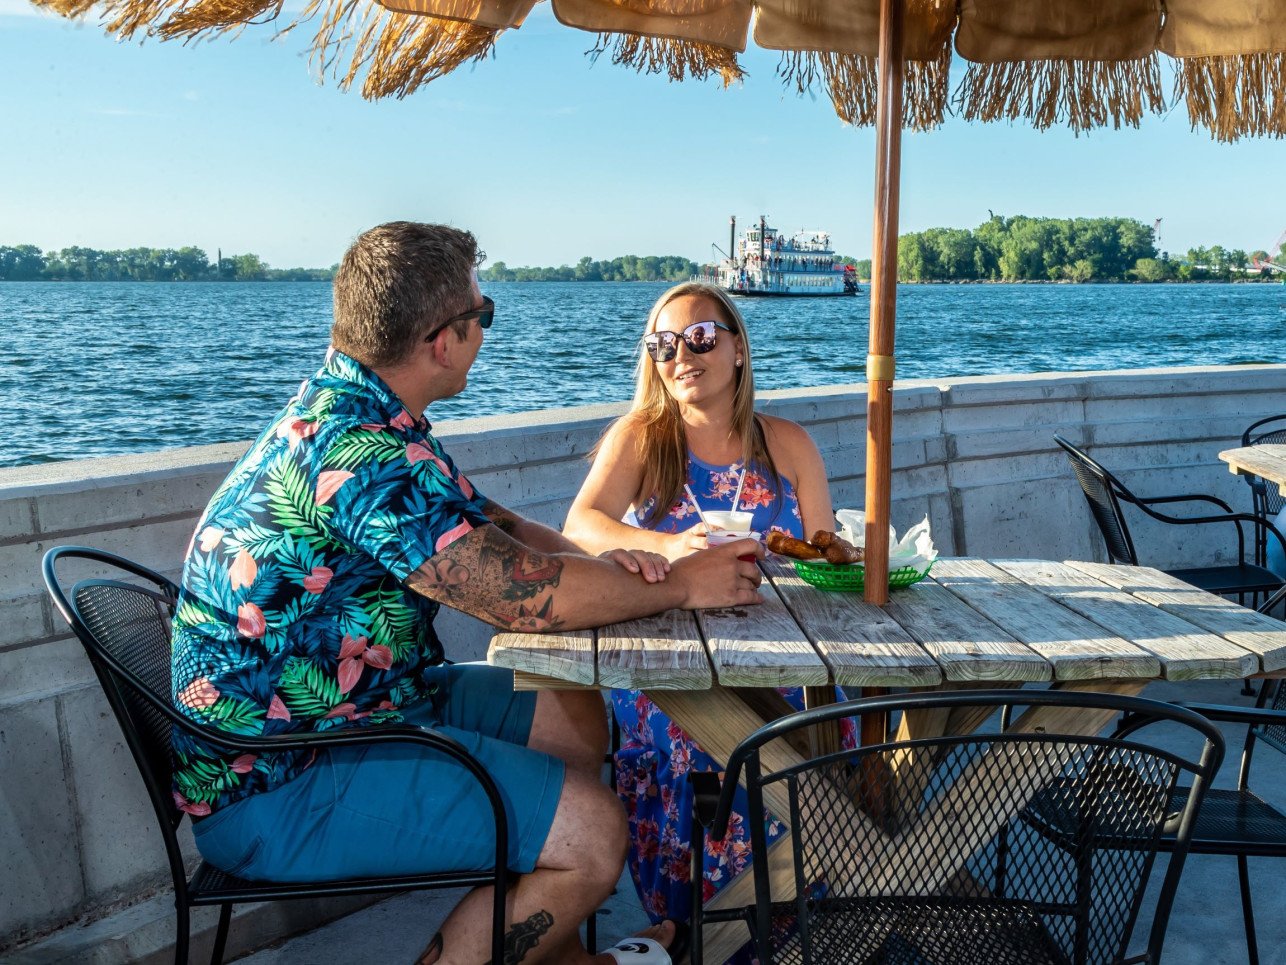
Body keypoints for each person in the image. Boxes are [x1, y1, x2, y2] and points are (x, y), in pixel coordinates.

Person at [169, 224, 764, 965]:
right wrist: (680, 583)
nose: (486, 327)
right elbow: (522, 599)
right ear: (441, 341)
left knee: (573, 711)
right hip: (282, 775)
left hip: (365, 704)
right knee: (595, 834)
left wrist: (614, 559)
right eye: (483, 314)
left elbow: (498, 526)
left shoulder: (368, 414)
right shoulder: (362, 455)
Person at [562, 281, 856, 960]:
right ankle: (713, 921)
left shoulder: (789, 445)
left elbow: (822, 553)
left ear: (739, 348)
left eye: (699, 337)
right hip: (676, 673)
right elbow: (581, 524)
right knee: (696, 738)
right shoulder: (643, 437)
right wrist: (673, 547)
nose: (682, 354)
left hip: (792, 660)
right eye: (664, 343)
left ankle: (790, 910)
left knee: (821, 723)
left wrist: (843, 554)